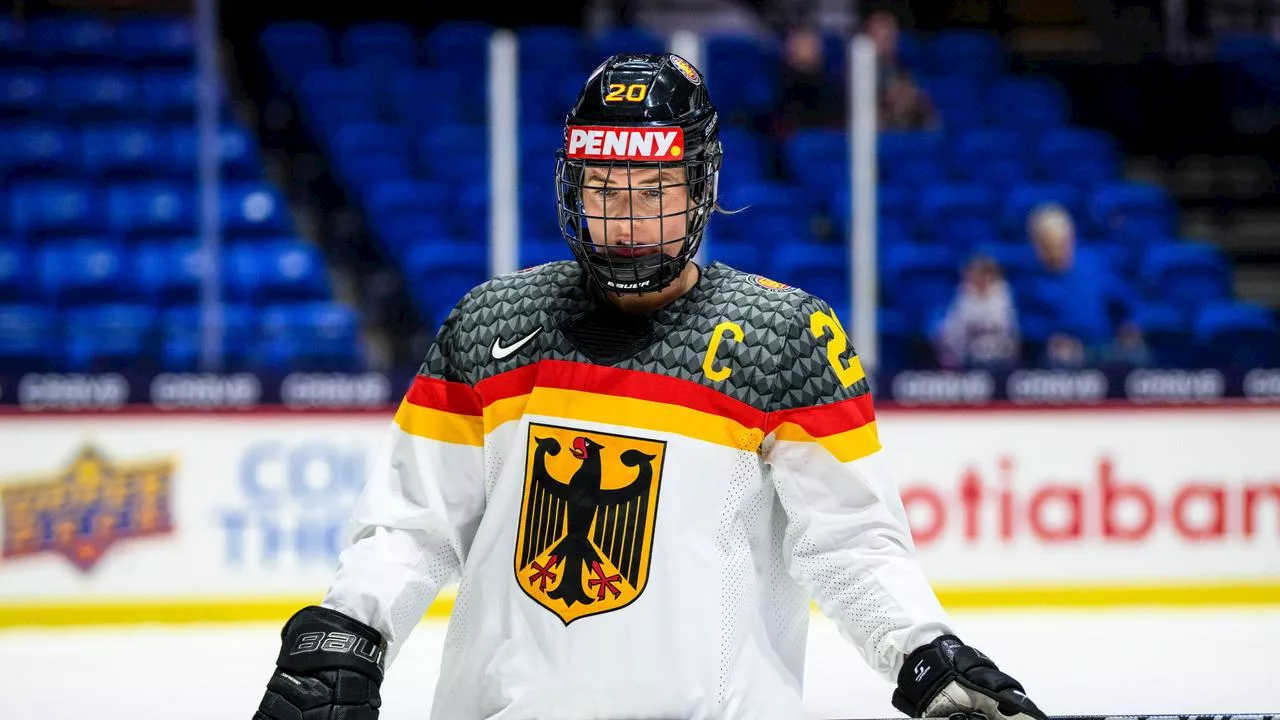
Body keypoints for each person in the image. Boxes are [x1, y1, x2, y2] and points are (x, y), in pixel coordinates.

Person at [252, 53, 1047, 720]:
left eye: (654, 191)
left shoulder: (784, 338)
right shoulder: (492, 323)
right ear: (572, 187)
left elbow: (851, 544)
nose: (628, 221)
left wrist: (923, 653)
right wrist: (349, 629)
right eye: (605, 190)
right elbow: (412, 524)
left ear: (700, 187)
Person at [933, 253, 1021, 370]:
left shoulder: (1004, 294)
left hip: (999, 356)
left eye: (981, 273)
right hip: (968, 356)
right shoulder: (964, 294)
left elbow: (1008, 327)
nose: (974, 277)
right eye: (971, 274)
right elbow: (953, 328)